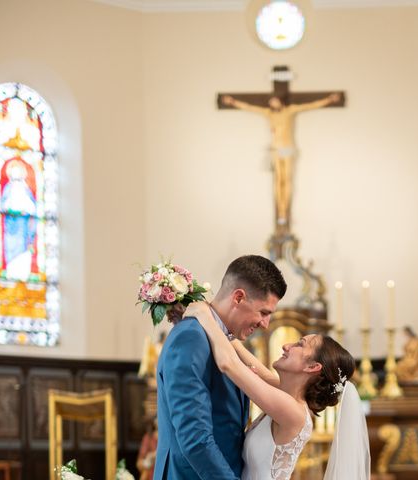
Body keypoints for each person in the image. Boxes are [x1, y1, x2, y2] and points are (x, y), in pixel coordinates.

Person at [184, 300, 370, 480]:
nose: (286, 345)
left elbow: (228, 364)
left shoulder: (293, 411)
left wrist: (204, 315)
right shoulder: (287, 394)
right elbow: (256, 367)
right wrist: (219, 318)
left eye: (300, 344)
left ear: (312, 367)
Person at [153, 255, 287, 480]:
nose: (265, 324)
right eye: (263, 312)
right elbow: (195, 439)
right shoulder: (190, 338)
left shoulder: (227, 342)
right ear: (238, 297)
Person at [222, 93, 341, 233]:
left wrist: (328, 100)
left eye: (275, 101)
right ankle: (281, 210)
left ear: (280, 101)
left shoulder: (290, 110)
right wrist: (233, 102)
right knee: (279, 181)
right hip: (276, 150)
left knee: (287, 180)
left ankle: (286, 210)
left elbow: (310, 105)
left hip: (288, 148)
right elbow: (250, 107)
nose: (273, 105)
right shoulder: (268, 113)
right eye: (271, 103)